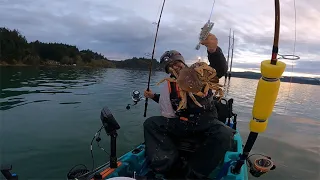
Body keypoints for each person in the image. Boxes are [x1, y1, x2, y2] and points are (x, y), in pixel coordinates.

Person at [143, 33, 235, 179]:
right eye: (170, 66)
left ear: (183, 61)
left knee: (224, 133)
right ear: (168, 71)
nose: (175, 66)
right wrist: (153, 96)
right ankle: (167, 166)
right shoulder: (169, 85)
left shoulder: (198, 73)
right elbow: (171, 103)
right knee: (151, 123)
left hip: (207, 122)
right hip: (182, 124)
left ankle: (193, 174)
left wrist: (213, 50)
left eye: (177, 62)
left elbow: (219, 69)